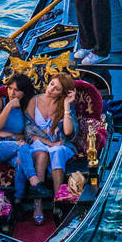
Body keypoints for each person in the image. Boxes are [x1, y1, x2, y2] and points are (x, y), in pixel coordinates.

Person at [16, 73, 78, 221]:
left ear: (63, 93)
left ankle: (58, 200)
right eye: (51, 84)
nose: (51, 89)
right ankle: (38, 204)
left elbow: (69, 132)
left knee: (56, 150)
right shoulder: (34, 101)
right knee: (41, 150)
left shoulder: (64, 105)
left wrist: (67, 105)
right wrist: (47, 141)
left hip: (60, 145)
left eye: (56, 89)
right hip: (38, 143)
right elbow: (28, 130)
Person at [0, 71, 36, 170]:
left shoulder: (27, 108)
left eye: (16, 90)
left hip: (14, 144)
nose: (11, 93)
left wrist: (9, 135)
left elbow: (28, 136)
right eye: (10, 88)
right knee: (23, 148)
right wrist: (9, 105)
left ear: (24, 92)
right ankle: (36, 183)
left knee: (21, 163)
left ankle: (34, 185)